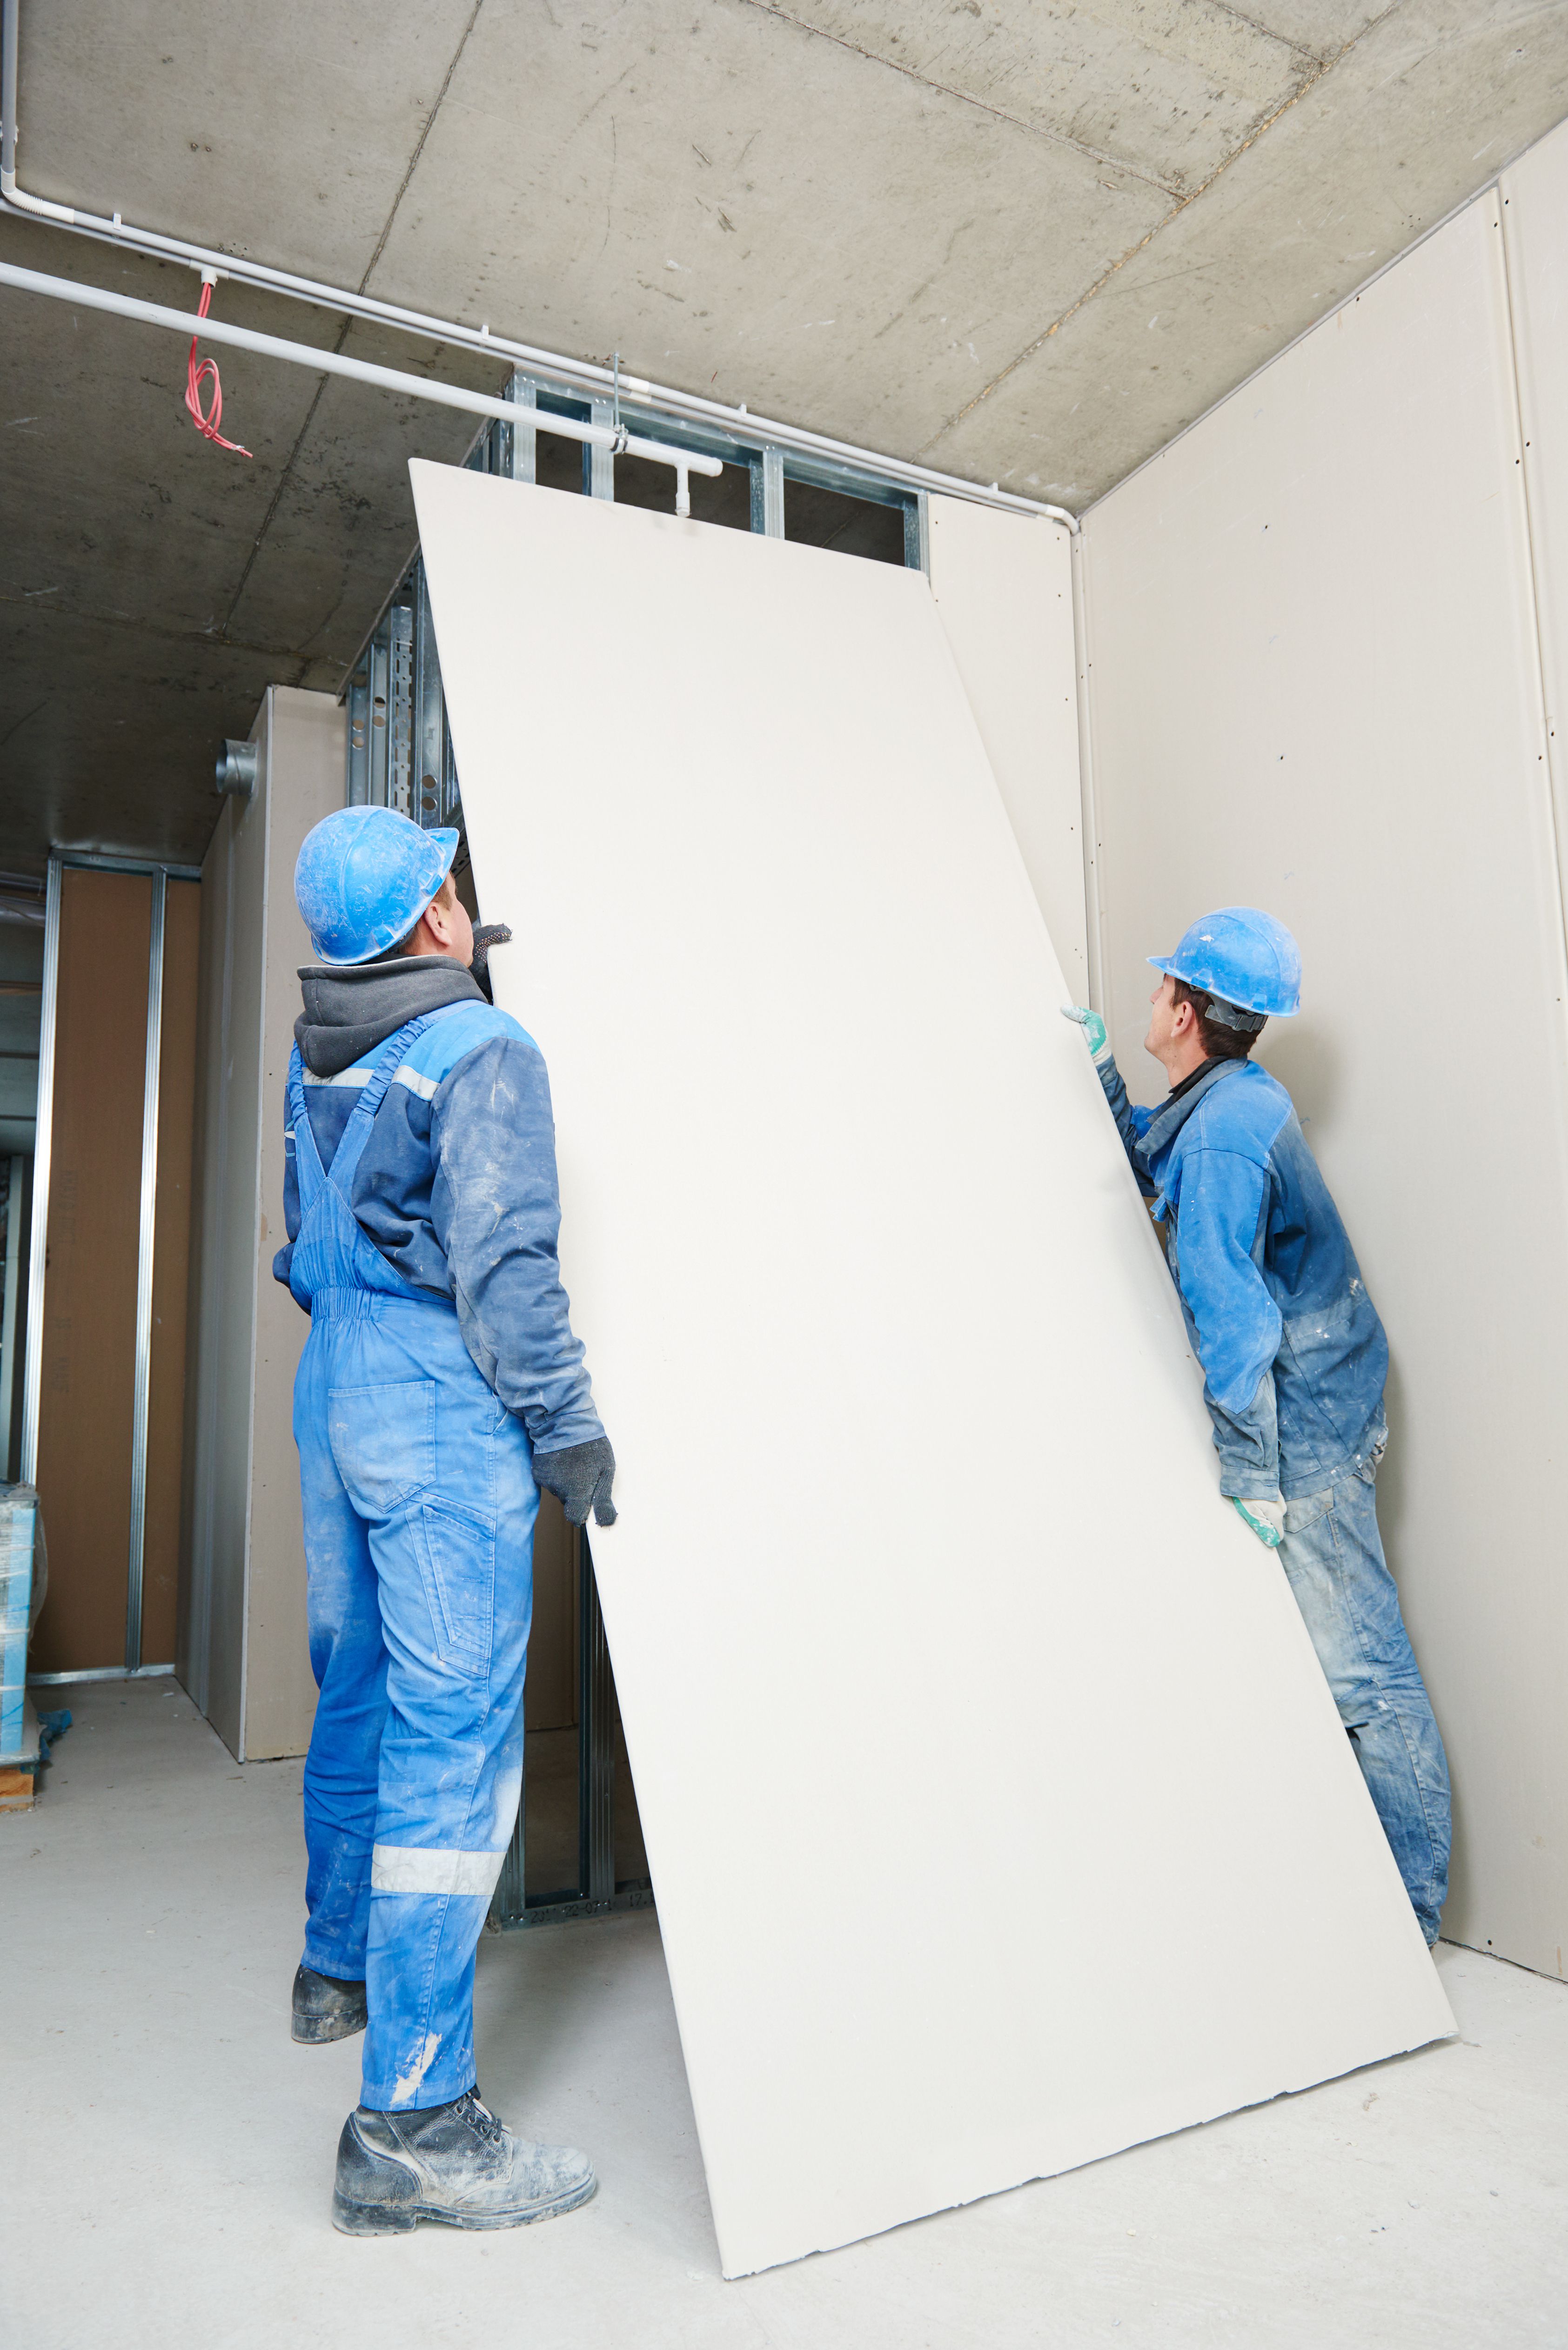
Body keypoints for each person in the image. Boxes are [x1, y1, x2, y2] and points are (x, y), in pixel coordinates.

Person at [275, 802, 617, 2235]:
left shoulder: (320, 1057)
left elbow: (302, 1248)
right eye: (450, 885)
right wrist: (565, 1422)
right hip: (431, 1396)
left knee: (352, 1684)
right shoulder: (484, 1049)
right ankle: (415, 2118)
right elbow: (505, 1260)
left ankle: (336, 1968)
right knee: (452, 1738)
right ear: (429, 918)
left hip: (332, 1385)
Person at [1063, 907, 1450, 1947]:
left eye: (1158, 990)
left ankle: (1407, 1917)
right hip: (1324, 1383)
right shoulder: (1221, 1095)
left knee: (1362, 1674)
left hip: (1310, 1419)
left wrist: (1252, 1473)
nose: (1147, 1000)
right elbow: (1158, 1164)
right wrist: (1104, 1084)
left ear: (1186, 1010)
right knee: (1336, 1666)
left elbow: (1234, 1321)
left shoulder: (1229, 1133)